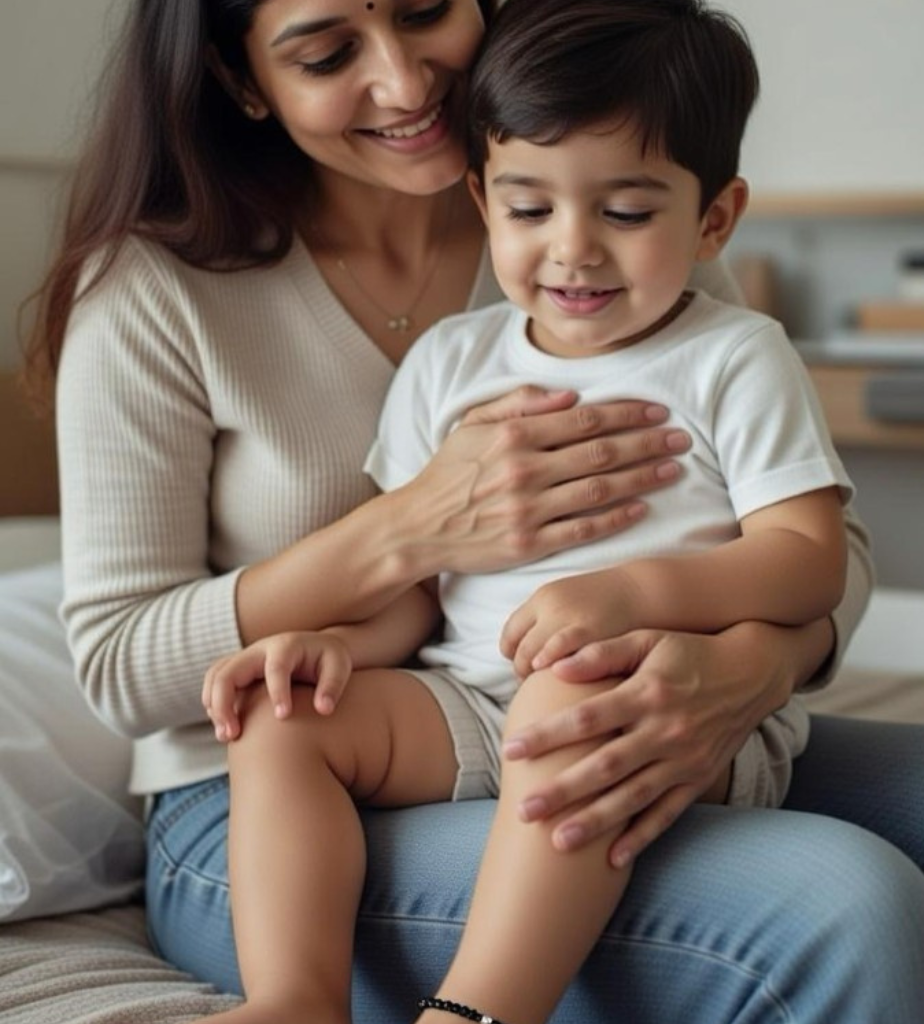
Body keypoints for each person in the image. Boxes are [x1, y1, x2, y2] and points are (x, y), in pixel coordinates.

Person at [21, 0, 924, 1021]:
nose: (406, 82)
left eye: (425, 11)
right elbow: (123, 661)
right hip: (287, 793)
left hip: (624, 690)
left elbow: (814, 543)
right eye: (326, 53)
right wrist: (389, 553)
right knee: (847, 905)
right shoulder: (177, 296)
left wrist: (755, 661)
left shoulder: (619, 189)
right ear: (241, 79)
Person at [198, 2, 853, 1020]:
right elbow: (422, 589)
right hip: (469, 698)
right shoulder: (450, 361)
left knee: (565, 693)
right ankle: (294, 998)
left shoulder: (735, 355)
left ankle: (478, 1009)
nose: (573, 250)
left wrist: (633, 594)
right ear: (484, 198)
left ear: (715, 220)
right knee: (283, 723)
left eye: (625, 213)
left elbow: (810, 559)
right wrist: (336, 644)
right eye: (530, 208)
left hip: (665, 710)